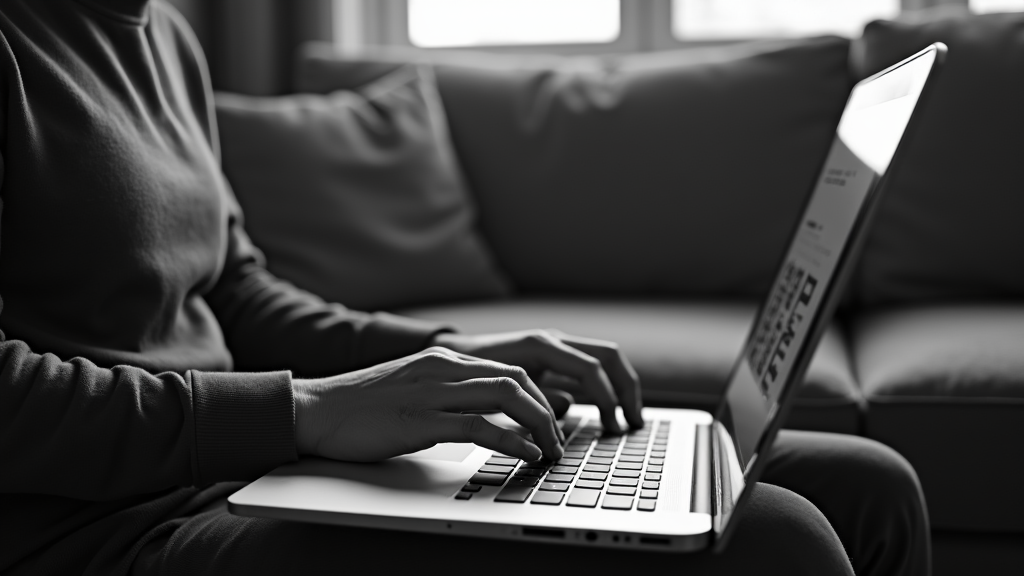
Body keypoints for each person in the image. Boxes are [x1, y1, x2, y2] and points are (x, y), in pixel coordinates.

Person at [0, 1, 930, 575]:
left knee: (869, 488)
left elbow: (235, 290)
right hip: (103, 530)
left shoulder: (166, 36)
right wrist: (302, 414)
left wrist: (446, 359)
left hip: (244, 467)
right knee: (782, 542)